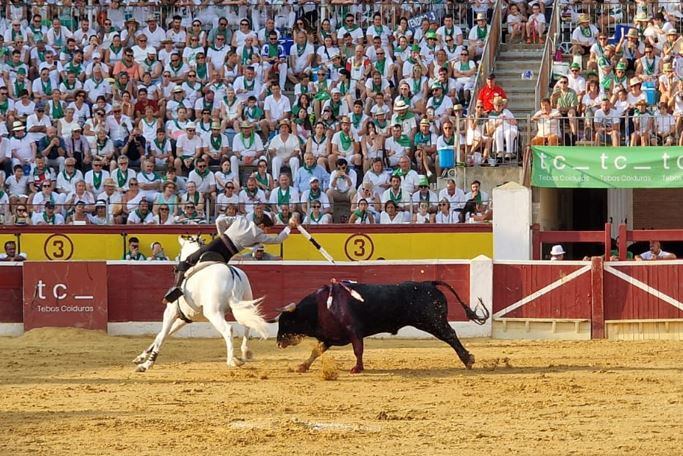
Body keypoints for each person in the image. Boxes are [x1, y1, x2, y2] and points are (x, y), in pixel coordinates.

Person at [163, 212, 300, 302]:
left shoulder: (241, 219)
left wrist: (222, 235)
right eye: (267, 229)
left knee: (190, 259)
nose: (267, 232)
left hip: (216, 244)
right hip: (226, 256)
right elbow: (278, 240)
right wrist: (289, 227)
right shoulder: (260, 235)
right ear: (262, 225)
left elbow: (219, 220)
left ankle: (176, 287)